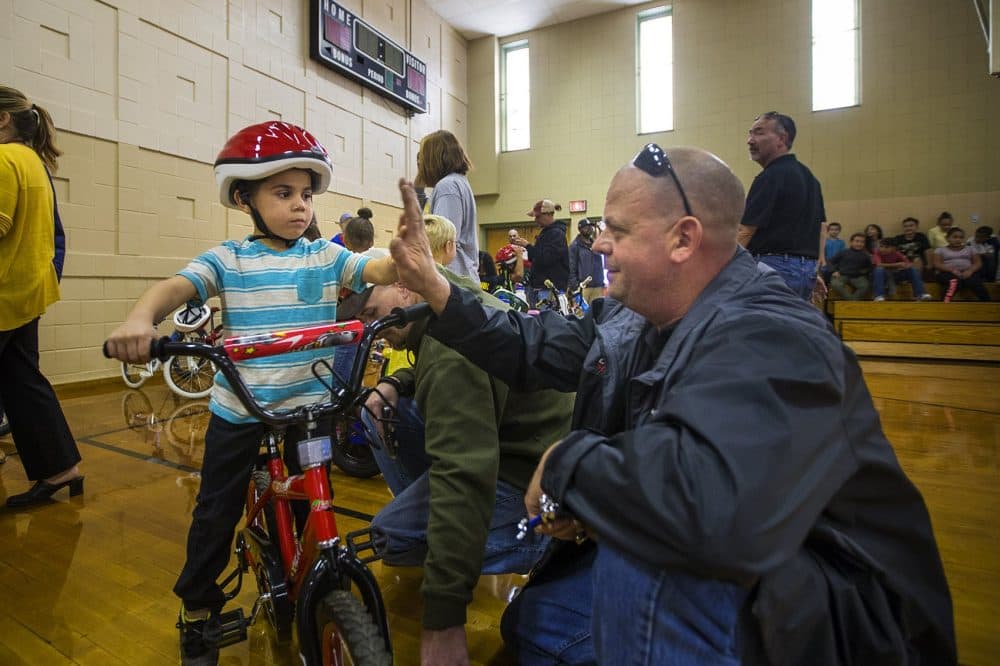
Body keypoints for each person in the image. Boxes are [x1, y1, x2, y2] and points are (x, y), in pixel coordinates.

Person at [387, 143, 955, 665]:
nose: (599, 243)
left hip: (838, 619)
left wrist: (566, 465)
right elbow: (533, 346)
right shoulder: (633, 317)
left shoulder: (773, 334)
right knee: (537, 625)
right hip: (750, 583)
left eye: (616, 229)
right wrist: (439, 291)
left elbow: (704, 500)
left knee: (646, 559)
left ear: (684, 239)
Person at [103, 121, 398, 665]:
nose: (299, 207)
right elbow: (175, 288)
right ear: (245, 198)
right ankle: (198, 608)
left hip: (308, 409)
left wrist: (403, 259)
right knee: (215, 512)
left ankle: (314, 580)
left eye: (306, 194)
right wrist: (141, 318)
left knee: (316, 502)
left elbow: (372, 266)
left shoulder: (325, 257)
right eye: (282, 194)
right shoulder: (230, 259)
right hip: (242, 410)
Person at [343, 272, 573, 665]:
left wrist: (443, 615)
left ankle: (541, 542)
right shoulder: (449, 299)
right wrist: (395, 380)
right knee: (375, 410)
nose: (370, 329)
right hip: (532, 446)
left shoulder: (449, 353)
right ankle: (443, 523)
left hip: (534, 480)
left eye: (370, 312)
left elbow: (465, 470)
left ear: (402, 286)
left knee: (390, 538)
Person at [0, 86, 83, 507]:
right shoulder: (33, 161)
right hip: (26, 291)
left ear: (3, 120)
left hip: (4, 293)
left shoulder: (3, 158)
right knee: (23, 383)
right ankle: (61, 468)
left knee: (22, 382)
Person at [738, 112, 826, 300]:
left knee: (760, 327)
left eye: (758, 133)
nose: (750, 140)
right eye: (750, 134)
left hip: (773, 269)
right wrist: (808, 270)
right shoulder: (810, 178)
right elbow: (821, 227)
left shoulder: (770, 177)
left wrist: (721, 268)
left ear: (782, 138)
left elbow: (746, 231)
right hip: (805, 271)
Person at [416, 129, 478, 279]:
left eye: (422, 157)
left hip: (452, 279)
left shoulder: (448, 186)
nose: (419, 162)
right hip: (456, 278)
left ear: (433, 158)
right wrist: (418, 190)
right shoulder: (455, 182)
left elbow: (440, 242)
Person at [512, 199, 569, 306]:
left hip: (548, 289)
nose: (535, 220)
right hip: (542, 287)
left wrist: (528, 246)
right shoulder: (547, 233)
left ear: (548, 214)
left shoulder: (555, 234)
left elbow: (545, 259)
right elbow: (538, 258)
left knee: (547, 320)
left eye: (538, 216)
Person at [932, 227, 991, 302]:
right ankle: (945, 302)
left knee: (974, 281)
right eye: (955, 237)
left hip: (968, 273)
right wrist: (952, 270)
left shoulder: (970, 249)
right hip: (947, 273)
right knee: (955, 282)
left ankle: (988, 303)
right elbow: (937, 264)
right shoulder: (940, 250)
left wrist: (970, 271)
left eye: (961, 237)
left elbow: (978, 263)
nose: (958, 239)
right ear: (947, 238)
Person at [872, 236, 933, 301]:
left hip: (895, 275)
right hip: (883, 277)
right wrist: (897, 265)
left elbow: (908, 264)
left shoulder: (897, 253)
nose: (882, 249)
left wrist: (905, 266)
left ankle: (920, 294)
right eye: (881, 246)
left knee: (912, 269)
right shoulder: (877, 252)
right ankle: (879, 296)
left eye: (886, 247)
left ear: (893, 248)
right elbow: (879, 265)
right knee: (879, 270)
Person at [567, 218, 605, 304]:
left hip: (598, 286)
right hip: (583, 287)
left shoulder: (595, 244)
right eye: (586, 227)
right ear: (580, 229)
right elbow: (571, 267)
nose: (589, 229)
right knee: (583, 315)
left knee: (597, 314)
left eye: (590, 227)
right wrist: (575, 286)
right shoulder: (575, 246)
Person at [828, 232, 873, 300]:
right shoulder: (843, 252)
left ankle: (852, 301)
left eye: (862, 242)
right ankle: (851, 300)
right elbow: (830, 262)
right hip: (841, 275)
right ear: (851, 242)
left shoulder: (866, 255)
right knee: (836, 284)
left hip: (857, 276)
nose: (859, 244)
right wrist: (834, 271)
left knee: (865, 286)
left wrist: (862, 272)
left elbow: (869, 267)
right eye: (857, 241)